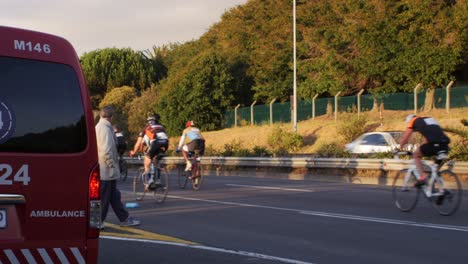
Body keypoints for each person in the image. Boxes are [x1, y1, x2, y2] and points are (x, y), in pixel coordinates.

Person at [95, 105, 140, 228]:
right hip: (106, 170)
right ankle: (98, 222)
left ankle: (123, 218)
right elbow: (106, 150)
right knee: (105, 197)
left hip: (105, 169)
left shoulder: (100, 127)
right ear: (111, 117)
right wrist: (112, 165)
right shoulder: (104, 128)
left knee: (113, 196)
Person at [399, 114, 451, 187]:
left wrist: (399, 148)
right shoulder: (430, 119)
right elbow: (428, 139)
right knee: (434, 169)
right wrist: (419, 148)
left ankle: (422, 177)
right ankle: (438, 188)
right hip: (444, 145)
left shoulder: (413, 120)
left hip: (434, 144)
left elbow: (405, 137)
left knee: (415, 155)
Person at [129, 114, 169, 188]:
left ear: (148, 122)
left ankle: (149, 182)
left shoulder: (146, 128)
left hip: (155, 143)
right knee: (156, 161)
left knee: (147, 162)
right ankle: (158, 180)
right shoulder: (161, 126)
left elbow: (138, 143)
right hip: (165, 143)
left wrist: (133, 152)